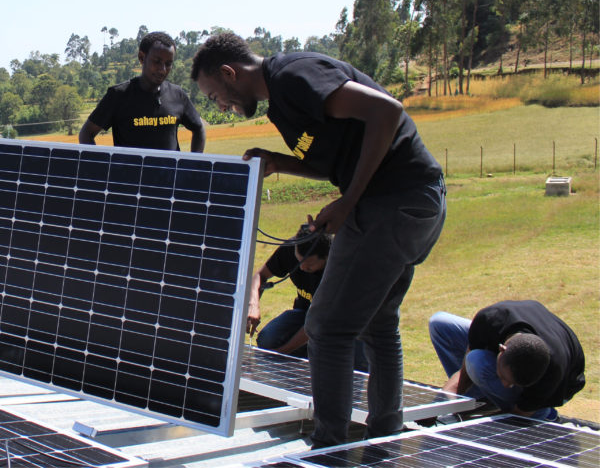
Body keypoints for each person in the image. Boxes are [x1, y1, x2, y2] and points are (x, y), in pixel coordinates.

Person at [191, 33, 446, 448]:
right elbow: (333, 159)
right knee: (378, 324)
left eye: (214, 94)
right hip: (413, 201)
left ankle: (330, 448)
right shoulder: (282, 104)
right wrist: (280, 162)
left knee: (325, 328)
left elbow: (387, 112)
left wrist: (349, 201)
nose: (219, 105)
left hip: (391, 204)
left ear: (229, 73)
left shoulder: (294, 75)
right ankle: (384, 438)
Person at [429, 300, 585, 420]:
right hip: (515, 336)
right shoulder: (490, 319)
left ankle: (544, 413)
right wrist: (447, 398)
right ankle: (481, 398)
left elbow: (520, 415)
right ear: (502, 350)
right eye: (504, 378)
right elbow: (465, 369)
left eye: (512, 384)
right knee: (440, 323)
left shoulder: (552, 371)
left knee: (477, 362)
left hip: (561, 386)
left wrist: (484, 428)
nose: (505, 384)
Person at [247, 226, 368, 372]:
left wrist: (283, 352)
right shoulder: (291, 248)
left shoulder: (340, 269)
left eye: (309, 265)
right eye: (299, 261)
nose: (302, 267)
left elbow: (318, 324)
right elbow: (260, 276)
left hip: (346, 325)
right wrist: (253, 304)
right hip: (305, 314)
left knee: (354, 366)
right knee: (268, 339)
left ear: (327, 257)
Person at [79, 31, 205, 152]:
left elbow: (198, 128)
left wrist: (193, 165)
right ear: (142, 57)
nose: (163, 69)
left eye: (168, 63)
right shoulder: (118, 95)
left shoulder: (178, 95)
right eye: (157, 62)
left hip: (169, 174)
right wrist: (103, 168)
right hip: (129, 174)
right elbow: (86, 134)